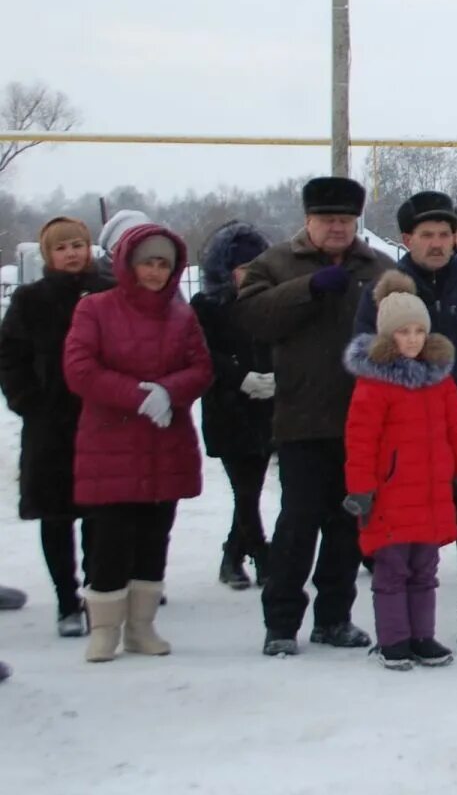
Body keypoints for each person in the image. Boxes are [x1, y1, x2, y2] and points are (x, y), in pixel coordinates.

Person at [353, 191, 457, 653]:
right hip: (401, 446)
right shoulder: (384, 293)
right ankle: (400, 633)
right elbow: (368, 358)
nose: (437, 243)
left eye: (445, 235)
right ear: (407, 238)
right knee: (402, 537)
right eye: (426, 235)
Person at [236, 176, 395, 657]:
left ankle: (334, 617)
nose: (337, 228)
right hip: (302, 418)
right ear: (309, 221)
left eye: (345, 220)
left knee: (348, 526)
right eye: (328, 220)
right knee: (297, 524)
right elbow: (252, 318)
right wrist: (307, 289)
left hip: (362, 421)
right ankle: (281, 621)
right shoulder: (276, 263)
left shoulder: (377, 267)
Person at [61, 223, 212, 663]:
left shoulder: (182, 316)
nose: (155, 272)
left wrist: (169, 391)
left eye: (163, 264)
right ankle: (105, 628)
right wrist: (137, 396)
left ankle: (142, 626)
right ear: (128, 263)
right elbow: (79, 369)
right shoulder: (95, 309)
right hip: (109, 444)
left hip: (165, 443)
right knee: (108, 539)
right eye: (148, 262)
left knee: (154, 536)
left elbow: (201, 368)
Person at [343, 273, 457, 670]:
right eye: (404, 332)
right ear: (389, 336)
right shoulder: (375, 384)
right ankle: (394, 639)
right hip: (390, 495)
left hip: (431, 494)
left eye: (419, 331)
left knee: (425, 569)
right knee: (392, 571)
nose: (412, 339)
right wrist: (362, 489)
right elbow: (360, 441)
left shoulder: (439, 381)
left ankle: (422, 635)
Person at [1, 217, 116, 638]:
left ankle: (100, 593)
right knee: (57, 514)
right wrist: (28, 401)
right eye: (62, 247)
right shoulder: (31, 300)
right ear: (48, 255)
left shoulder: (108, 293)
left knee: (101, 516)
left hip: (103, 420)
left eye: (78, 245)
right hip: (51, 425)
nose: (72, 253)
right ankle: (67, 602)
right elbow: (10, 355)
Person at [189, 222, 277, 592]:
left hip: (268, 407)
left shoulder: (270, 304)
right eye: (242, 268)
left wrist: (277, 376)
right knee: (245, 487)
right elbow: (203, 353)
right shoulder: (206, 306)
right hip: (228, 407)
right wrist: (239, 376)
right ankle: (260, 553)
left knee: (253, 487)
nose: (248, 275)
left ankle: (232, 554)